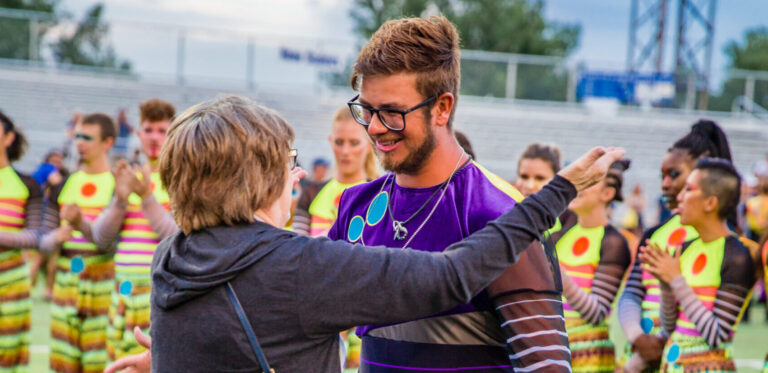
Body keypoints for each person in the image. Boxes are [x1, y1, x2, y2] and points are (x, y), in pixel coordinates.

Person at [102, 94, 624, 373]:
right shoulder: (299, 267)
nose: (300, 174)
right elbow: (452, 275)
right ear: (254, 178)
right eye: (290, 161)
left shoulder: (174, 252)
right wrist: (556, 193)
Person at [331, 17, 570, 372]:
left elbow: (546, 367)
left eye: (393, 113)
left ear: (442, 107)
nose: (376, 128)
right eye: (367, 110)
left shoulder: (500, 213)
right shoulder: (357, 205)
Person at [618, 119, 733, 372]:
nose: (665, 184)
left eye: (675, 174)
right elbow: (632, 293)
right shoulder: (654, 234)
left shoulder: (721, 243)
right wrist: (638, 338)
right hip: (641, 354)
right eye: (662, 175)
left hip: (687, 358)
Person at [69, 99, 177, 362]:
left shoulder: (178, 179)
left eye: (162, 131)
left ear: (173, 134)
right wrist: (119, 199)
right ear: (138, 133)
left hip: (158, 293)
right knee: (117, 362)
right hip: (122, 291)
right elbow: (102, 239)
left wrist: (146, 197)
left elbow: (176, 238)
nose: (154, 138)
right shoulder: (127, 175)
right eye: (149, 130)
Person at [641, 158, 756, 372]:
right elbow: (670, 327)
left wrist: (676, 280)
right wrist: (666, 285)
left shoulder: (736, 256)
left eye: (688, 190)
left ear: (710, 203)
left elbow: (715, 336)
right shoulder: (685, 249)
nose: (680, 197)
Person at [41, 112, 118, 373]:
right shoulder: (64, 184)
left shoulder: (116, 186)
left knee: (99, 363)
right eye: (78, 136)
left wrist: (79, 225)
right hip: (66, 281)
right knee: (63, 361)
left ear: (108, 142)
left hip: (103, 281)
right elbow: (43, 239)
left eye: (88, 137)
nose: (80, 142)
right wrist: (55, 238)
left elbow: (114, 243)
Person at [548, 160, 632, 372]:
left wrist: (560, 276)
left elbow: (596, 314)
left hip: (590, 359)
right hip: (557, 350)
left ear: (607, 194)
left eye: (589, 181)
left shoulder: (613, 242)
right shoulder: (564, 233)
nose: (579, 186)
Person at [0, 110, 45, 372]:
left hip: (12, 284)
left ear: (9, 138)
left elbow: (35, 236)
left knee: (9, 358)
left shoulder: (26, 184)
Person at [293, 107, 378, 237]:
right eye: (339, 142)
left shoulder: (380, 193)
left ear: (368, 144)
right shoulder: (311, 193)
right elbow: (299, 250)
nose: (345, 151)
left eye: (354, 143)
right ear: (330, 142)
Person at [516, 142, 576, 235]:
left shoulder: (572, 224)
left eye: (540, 178)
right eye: (524, 177)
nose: (530, 185)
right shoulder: (502, 219)